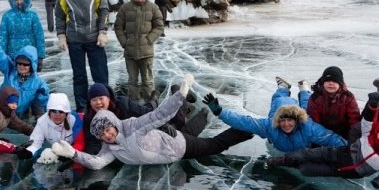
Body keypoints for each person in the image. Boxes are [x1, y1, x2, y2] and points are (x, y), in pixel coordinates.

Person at [49, 75, 255, 169]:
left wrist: (180, 95)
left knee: (212, 145)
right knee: (187, 128)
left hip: (177, 145)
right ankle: (203, 114)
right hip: (171, 148)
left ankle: (247, 130)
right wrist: (73, 154)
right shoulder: (109, 147)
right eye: (103, 134)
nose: (108, 135)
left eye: (108, 131)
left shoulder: (130, 126)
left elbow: (155, 115)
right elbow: (97, 162)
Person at [203, 78, 346, 153]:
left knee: (306, 107)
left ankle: (304, 89)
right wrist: (220, 112)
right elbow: (244, 122)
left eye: (290, 121)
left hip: (295, 109)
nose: (286, 124)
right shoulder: (271, 126)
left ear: (296, 121)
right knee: (278, 101)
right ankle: (283, 88)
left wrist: (349, 149)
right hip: (280, 107)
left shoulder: (308, 127)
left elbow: (331, 138)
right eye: (283, 121)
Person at [270, 114, 379, 188]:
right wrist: (372, 105)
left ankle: (292, 164)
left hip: (346, 172)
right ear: (377, 131)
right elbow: (368, 120)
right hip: (338, 153)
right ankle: (282, 160)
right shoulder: (369, 136)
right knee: (308, 153)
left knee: (306, 169)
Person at [55, 0, 110, 112]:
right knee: (79, 76)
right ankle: (82, 107)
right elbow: (59, 16)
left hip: (94, 39)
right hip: (75, 40)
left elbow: (104, 10)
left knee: (100, 74)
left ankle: (105, 105)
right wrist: (61, 36)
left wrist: (102, 32)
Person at [114, 0, 165, 103]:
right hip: (130, 53)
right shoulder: (125, 8)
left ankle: (151, 104)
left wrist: (149, 39)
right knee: (132, 81)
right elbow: (118, 27)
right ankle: (133, 104)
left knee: (147, 80)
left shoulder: (153, 8)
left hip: (146, 52)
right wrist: (124, 42)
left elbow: (159, 27)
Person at [0, 25, 49, 119]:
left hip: (11, 114)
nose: (21, 66)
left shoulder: (38, 83)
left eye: (25, 64)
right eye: (19, 63)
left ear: (32, 65)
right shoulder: (11, 70)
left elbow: (45, 102)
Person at [303, 66, 362, 142]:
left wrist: (353, 139)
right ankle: (303, 91)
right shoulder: (315, 98)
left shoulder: (348, 97)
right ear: (323, 83)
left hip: (344, 132)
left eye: (334, 81)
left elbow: (354, 120)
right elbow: (314, 122)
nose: (331, 83)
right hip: (323, 133)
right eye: (328, 81)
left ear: (340, 84)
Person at [0, 0, 46, 72]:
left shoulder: (32, 15)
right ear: (13, 0)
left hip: (30, 55)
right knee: (13, 82)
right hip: (12, 56)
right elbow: (2, 37)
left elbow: (39, 35)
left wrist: (40, 56)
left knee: (29, 82)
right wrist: (2, 56)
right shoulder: (7, 16)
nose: (19, 2)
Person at [25, 92, 80, 161]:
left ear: (66, 113)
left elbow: (80, 142)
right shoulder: (42, 122)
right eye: (54, 111)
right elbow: (36, 143)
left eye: (61, 111)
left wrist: (70, 154)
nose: (57, 115)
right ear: (49, 112)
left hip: (73, 152)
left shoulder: (75, 120)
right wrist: (29, 152)